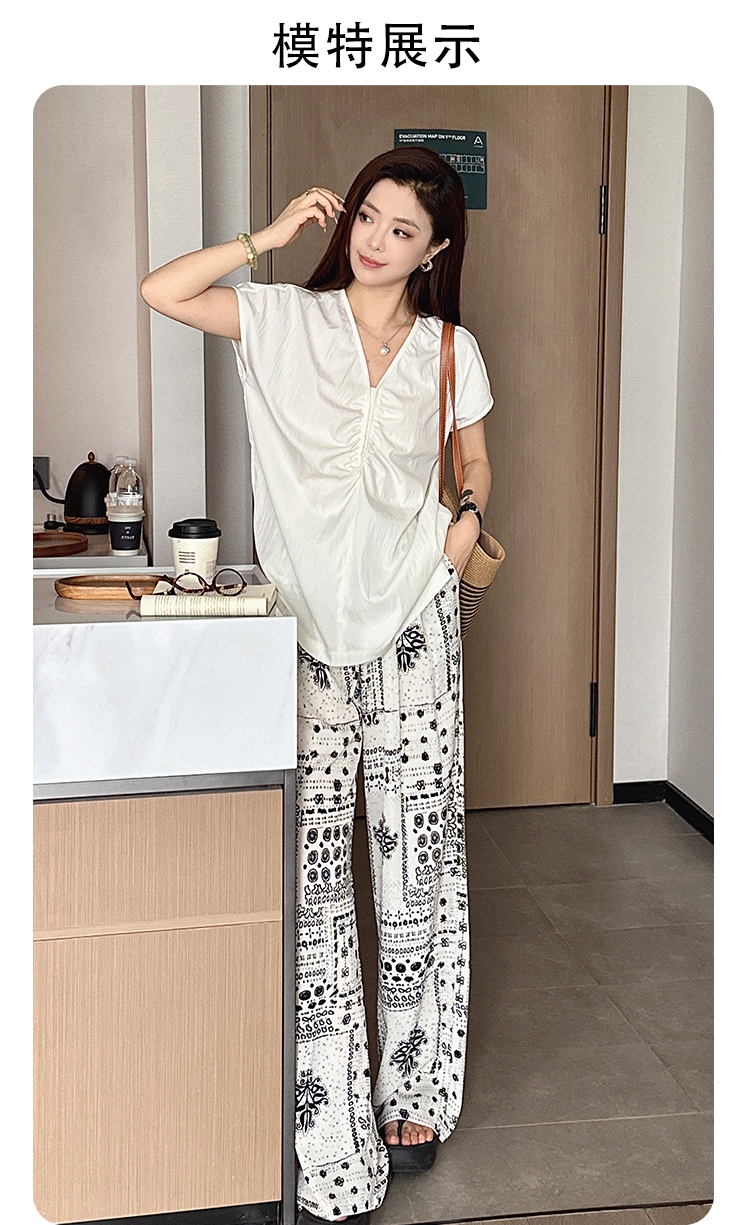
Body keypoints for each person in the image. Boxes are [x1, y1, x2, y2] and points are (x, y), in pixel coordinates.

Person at [140, 146, 493, 1225]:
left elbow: (475, 460)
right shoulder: (284, 319)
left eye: (401, 229)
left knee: (417, 857)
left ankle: (414, 1092)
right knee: (315, 871)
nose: (375, 239)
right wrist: (266, 237)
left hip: (417, 620)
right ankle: (328, 1124)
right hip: (299, 631)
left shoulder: (450, 348)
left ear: (434, 249)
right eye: (366, 215)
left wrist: (468, 518)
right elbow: (162, 291)